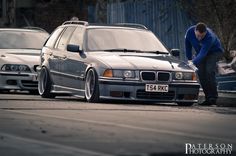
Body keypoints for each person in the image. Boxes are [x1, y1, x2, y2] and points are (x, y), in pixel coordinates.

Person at [185, 22, 224, 106]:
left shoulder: (209, 37)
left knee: (209, 70)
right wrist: (189, 59)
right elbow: (187, 45)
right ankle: (208, 98)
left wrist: (193, 62)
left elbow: (203, 53)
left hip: (214, 52)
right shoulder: (189, 32)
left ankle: (213, 98)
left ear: (205, 32)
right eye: (198, 36)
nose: (199, 38)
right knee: (201, 73)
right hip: (201, 53)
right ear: (195, 31)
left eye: (202, 36)